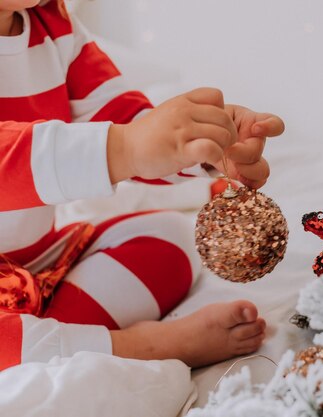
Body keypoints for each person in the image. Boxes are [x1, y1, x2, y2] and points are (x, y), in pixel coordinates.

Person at [0, 0, 285, 371]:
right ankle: (138, 347)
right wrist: (126, 148)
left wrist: (197, 146)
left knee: (168, 235)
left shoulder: (55, 26)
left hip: (37, 258)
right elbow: (121, 145)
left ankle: (54, 341)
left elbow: (126, 125)